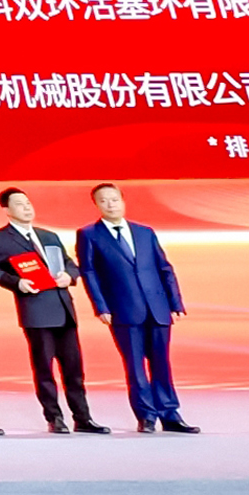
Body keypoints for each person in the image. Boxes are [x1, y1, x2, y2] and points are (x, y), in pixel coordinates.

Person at [0, 188, 108, 435]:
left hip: (63, 308)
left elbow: (70, 264)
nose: (27, 207)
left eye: (28, 203)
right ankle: (54, 417)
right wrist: (17, 283)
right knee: (44, 369)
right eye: (19, 204)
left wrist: (69, 276)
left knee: (74, 369)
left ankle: (83, 418)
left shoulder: (49, 236)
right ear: (7, 210)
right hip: (36, 310)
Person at [77, 183, 197, 433]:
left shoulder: (144, 232)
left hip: (157, 307)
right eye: (103, 200)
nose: (110, 204)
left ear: (123, 201)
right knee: (135, 366)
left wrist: (175, 302)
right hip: (122, 309)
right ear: (96, 204)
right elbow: (89, 272)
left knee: (162, 363)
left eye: (114, 199)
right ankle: (146, 416)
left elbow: (164, 267)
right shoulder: (89, 234)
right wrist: (101, 306)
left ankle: (170, 415)